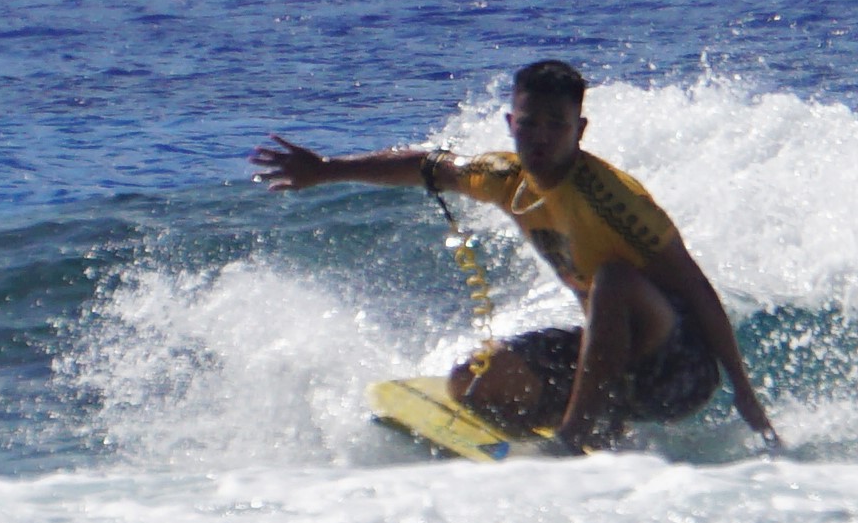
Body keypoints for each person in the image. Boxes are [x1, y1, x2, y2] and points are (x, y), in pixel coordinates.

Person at [253, 60, 780, 454]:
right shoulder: (504, 178)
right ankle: (588, 430)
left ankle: (578, 433)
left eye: (556, 125)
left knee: (614, 279)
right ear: (510, 122)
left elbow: (698, 291)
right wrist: (325, 169)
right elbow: (424, 165)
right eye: (529, 124)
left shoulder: (614, 199)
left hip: (676, 369)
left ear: (580, 129)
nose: (541, 137)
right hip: (613, 366)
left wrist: (745, 394)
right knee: (471, 383)